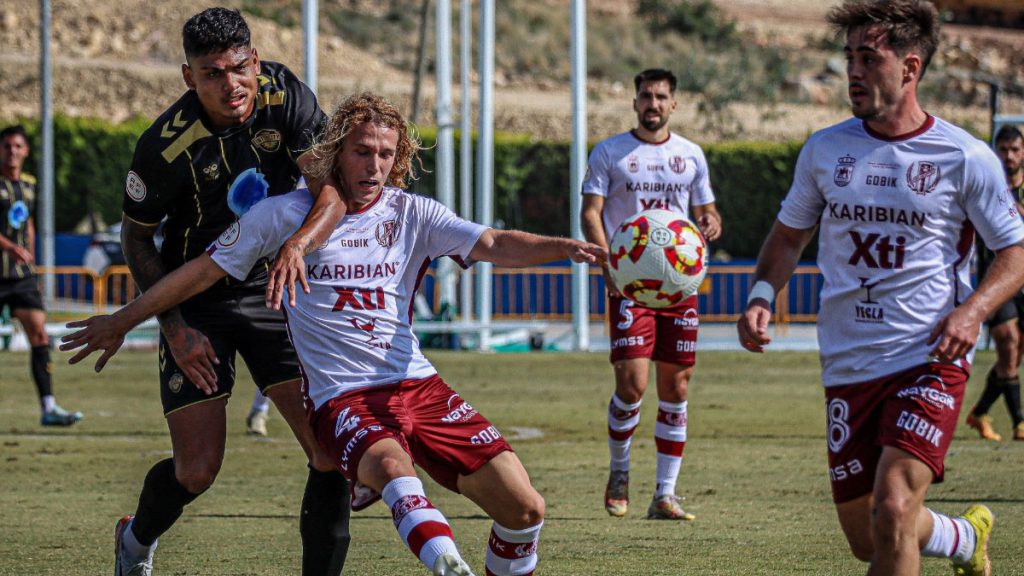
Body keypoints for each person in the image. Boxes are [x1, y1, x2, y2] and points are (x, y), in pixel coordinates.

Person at [61, 91, 607, 576]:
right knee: (393, 472)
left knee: (526, 509)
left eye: (386, 154)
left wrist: (566, 247)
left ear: (400, 161)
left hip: (419, 386)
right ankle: (448, 564)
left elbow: (494, 243)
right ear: (333, 155)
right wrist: (123, 319)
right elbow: (200, 271)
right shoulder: (281, 216)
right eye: (361, 151)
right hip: (342, 398)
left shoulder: (413, 214)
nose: (374, 165)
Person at [736, 2, 1024, 574]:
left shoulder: (964, 156)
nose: (854, 72)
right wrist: (761, 297)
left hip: (929, 357)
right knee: (869, 534)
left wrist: (971, 313)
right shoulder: (825, 150)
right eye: (849, 58)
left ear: (910, 68)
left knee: (892, 506)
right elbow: (788, 238)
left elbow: (1014, 253)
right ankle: (964, 539)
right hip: (847, 362)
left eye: (869, 58)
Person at [111, 8, 350, 576]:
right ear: (189, 77)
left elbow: (331, 195)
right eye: (213, 73)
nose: (231, 84)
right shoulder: (163, 148)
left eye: (239, 68)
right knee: (197, 470)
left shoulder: (285, 96)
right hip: (196, 302)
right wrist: (175, 327)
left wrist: (296, 250)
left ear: (255, 61)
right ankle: (135, 541)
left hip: (275, 289)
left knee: (328, 452)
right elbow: (136, 240)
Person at [580, 68, 723, 521]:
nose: (653, 104)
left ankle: (665, 494)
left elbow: (705, 211)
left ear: (674, 104)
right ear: (635, 102)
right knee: (632, 383)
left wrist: (712, 222)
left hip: (679, 285)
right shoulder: (610, 152)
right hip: (630, 283)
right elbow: (591, 213)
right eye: (646, 96)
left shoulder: (691, 155)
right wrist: (607, 263)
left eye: (661, 97)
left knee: (676, 386)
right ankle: (620, 471)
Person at [0, 124, 83, 427]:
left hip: (21, 277)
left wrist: (30, 257)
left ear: (25, 151)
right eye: (7, 146)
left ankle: (49, 407)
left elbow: (28, 224)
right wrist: (9, 246)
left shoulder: (29, 185)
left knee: (39, 335)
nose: (12, 151)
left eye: (17, 146)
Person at [965, 124, 1024, 441]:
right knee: (1008, 344)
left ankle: (980, 412)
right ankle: (1020, 423)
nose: (1009, 156)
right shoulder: (987, 187)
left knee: (1013, 357)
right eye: (1003, 149)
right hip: (998, 280)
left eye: (1015, 149)